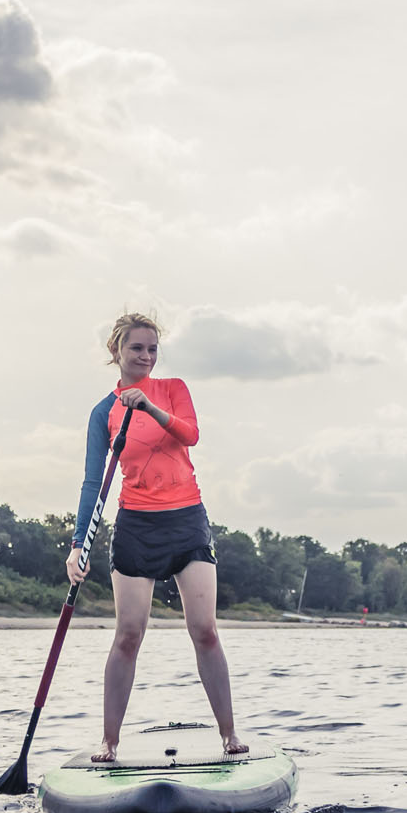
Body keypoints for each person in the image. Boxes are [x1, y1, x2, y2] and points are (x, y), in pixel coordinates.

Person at [67, 312, 246, 761]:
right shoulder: (102, 413)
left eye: (152, 349)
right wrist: (77, 544)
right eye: (136, 349)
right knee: (128, 634)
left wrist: (147, 406)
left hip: (186, 520)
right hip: (136, 525)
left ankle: (228, 734)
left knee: (204, 629)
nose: (145, 356)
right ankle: (109, 742)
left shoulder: (173, 390)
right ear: (117, 352)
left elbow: (190, 434)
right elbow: (93, 482)